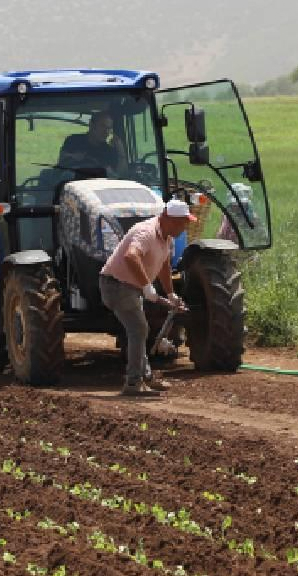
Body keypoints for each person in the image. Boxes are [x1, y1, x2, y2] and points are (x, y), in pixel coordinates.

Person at [100, 198, 195, 396]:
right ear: (168, 218)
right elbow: (131, 256)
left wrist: (170, 294)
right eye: (182, 222)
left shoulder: (167, 237)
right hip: (116, 285)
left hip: (130, 287)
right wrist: (147, 286)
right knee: (139, 329)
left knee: (139, 329)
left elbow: (164, 265)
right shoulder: (146, 232)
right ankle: (134, 383)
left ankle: (146, 376)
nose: (184, 227)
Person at [58, 111, 125, 174]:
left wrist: (121, 151)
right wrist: (74, 158)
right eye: (103, 126)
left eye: (109, 128)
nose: (106, 132)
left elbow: (121, 176)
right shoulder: (73, 141)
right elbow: (61, 164)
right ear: (91, 124)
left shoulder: (109, 151)